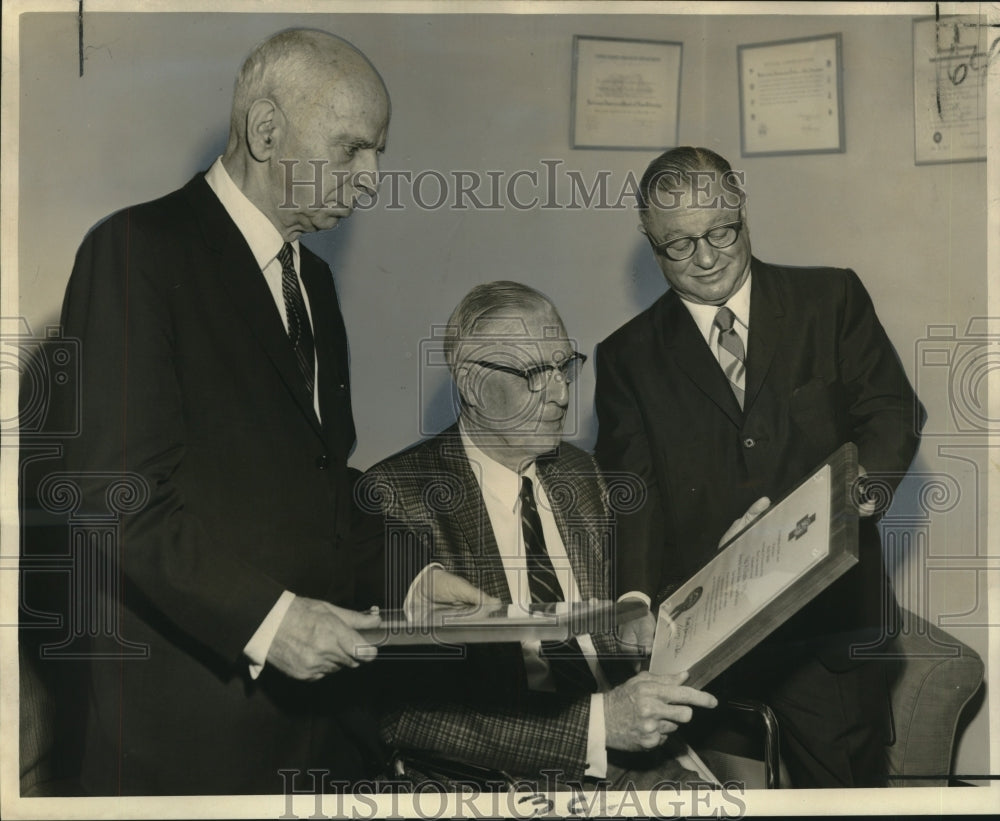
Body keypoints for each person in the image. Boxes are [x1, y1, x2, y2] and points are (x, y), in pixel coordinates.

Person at [55, 28, 478, 796]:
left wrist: (410, 576)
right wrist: (271, 620)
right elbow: (111, 499)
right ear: (266, 130)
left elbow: (316, 482)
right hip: (185, 744)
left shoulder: (310, 278)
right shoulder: (135, 252)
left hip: (312, 732)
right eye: (352, 149)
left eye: (378, 153)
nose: (372, 178)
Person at [593, 146, 925, 787]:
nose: (707, 257)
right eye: (679, 246)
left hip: (831, 625)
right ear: (649, 242)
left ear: (743, 211)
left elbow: (890, 411)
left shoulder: (829, 298)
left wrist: (850, 496)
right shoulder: (626, 357)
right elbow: (632, 494)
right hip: (712, 638)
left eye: (720, 231)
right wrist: (635, 603)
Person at [359, 281, 722, 790]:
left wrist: (722, 564)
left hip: (626, 760)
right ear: (471, 383)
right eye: (534, 373)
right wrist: (596, 726)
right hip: (487, 780)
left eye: (564, 365)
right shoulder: (397, 495)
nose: (560, 393)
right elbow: (407, 714)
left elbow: (621, 622)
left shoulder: (580, 473)